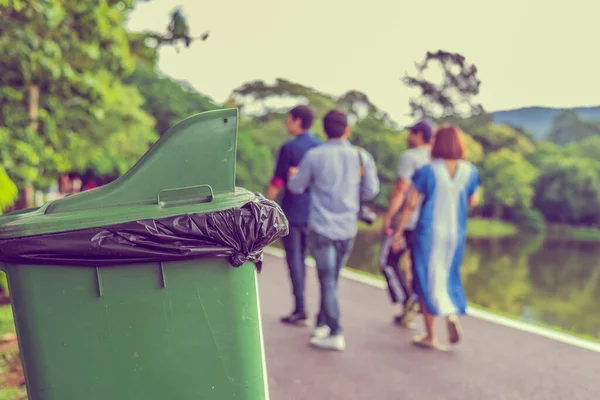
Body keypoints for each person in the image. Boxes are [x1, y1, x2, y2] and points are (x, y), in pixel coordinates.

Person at [288, 109, 379, 351]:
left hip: (321, 227)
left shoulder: (314, 155)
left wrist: (294, 175)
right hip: (348, 229)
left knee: (327, 280)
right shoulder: (361, 156)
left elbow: (296, 188)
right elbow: (371, 191)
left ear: (324, 130)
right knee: (331, 280)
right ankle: (322, 323)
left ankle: (335, 331)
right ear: (347, 130)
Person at [391, 125, 480, 350]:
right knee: (447, 274)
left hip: (428, 232)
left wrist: (399, 231)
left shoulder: (428, 171)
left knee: (424, 279)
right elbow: (473, 201)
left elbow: (411, 204)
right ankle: (450, 313)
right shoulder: (470, 171)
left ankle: (431, 335)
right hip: (455, 233)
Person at [266, 105, 322, 326]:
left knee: (295, 260)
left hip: (292, 212)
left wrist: (265, 208)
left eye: (288, 119)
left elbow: (277, 182)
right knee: (308, 260)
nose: (286, 123)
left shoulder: (289, 148)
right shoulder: (320, 147)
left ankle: (300, 308)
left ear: (298, 121)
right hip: (315, 213)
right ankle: (317, 312)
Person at [381, 120, 434, 327]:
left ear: (419, 135)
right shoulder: (436, 159)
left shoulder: (410, 157)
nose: (407, 137)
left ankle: (408, 298)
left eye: (410, 133)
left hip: (407, 220)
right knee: (415, 266)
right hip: (427, 223)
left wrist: (389, 218)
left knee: (387, 262)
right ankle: (409, 309)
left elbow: (401, 190)